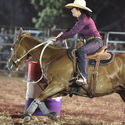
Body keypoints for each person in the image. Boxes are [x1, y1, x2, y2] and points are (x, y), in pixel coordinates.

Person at [55, 0, 103, 85]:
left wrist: (60, 37)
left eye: (72, 8)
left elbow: (73, 32)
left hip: (96, 42)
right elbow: (72, 30)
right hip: (92, 42)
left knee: (82, 51)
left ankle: (84, 77)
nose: (71, 10)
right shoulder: (81, 19)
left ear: (78, 9)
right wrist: (61, 35)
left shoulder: (83, 19)